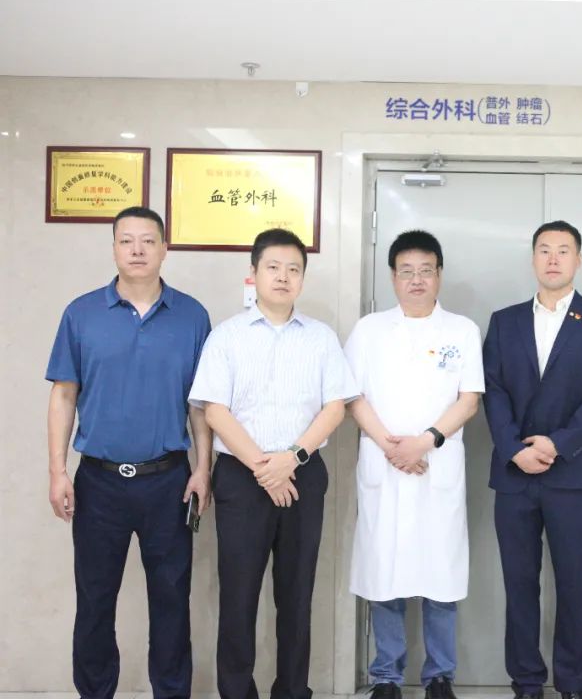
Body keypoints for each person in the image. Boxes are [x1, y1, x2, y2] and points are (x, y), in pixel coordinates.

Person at [46, 206, 211, 699]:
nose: (137, 250)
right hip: (98, 483)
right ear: (114, 247)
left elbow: (201, 405)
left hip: (169, 481)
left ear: (165, 248)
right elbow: (63, 396)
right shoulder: (81, 314)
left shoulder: (192, 316)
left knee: (171, 600)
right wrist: (57, 471)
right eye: (126, 241)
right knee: (95, 600)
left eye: (148, 241)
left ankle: (171, 692)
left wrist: (203, 468)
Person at [188, 228, 358, 699]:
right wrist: (265, 468)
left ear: (303, 278)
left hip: (303, 474)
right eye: (273, 267)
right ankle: (236, 692)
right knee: (238, 595)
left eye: (294, 269)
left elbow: (336, 408)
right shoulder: (227, 336)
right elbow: (214, 410)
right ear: (254, 273)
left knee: (297, 594)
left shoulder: (321, 338)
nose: (284, 277)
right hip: (242, 478)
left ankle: (292, 690)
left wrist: (292, 458)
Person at [482, 220, 582, 699]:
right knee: (519, 583)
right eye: (545, 250)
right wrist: (514, 449)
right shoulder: (505, 321)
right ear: (533, 259)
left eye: (564, 250)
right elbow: (493, 390)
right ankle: (526, 681)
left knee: (574, 583)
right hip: (515, 475)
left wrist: (558, 444)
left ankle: (572, 682)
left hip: (573, 475)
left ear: (578, 259)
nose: (554, 258)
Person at [344, 230, 484, 699]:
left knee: (440, 575)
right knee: (384, 574)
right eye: (407, 272)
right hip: (385, 464)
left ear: (439, 275)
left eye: (426, 271)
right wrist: (393, 448)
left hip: (436, 463)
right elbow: (353, 397)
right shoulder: (369, 330)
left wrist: (423, 443)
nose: (417, 280)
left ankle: (440, 675)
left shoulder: (461, 330)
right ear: (393, 277)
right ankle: (386, 676)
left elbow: (469, 400)